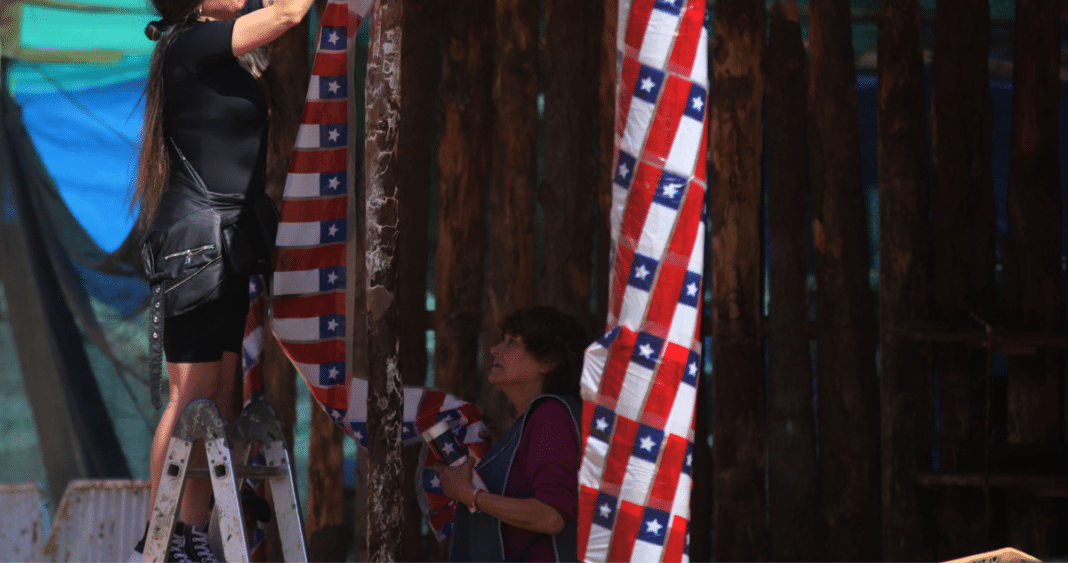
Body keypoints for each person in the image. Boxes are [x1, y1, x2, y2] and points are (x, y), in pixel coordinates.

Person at [129, 0, 311, 559]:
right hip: (198, 243)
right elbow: (286, 14)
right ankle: (158, 541)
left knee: (220, 400)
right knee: (192, 395)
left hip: (229, 238)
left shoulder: (224, 50)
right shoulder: (190, 43)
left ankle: (191, 532)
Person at [437, 306, 587, 562]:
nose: (496, 349)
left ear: (548, 361)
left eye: (512, 342)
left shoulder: (550, 415)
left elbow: (552, 516)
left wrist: (470, 494)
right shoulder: (539, 418)